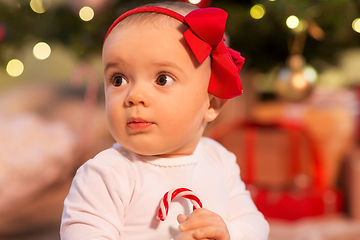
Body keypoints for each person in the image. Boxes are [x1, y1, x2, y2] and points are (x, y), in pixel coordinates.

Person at [60, 2, 269, 239]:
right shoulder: (107, 174)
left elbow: (255, 225)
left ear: (211, 104)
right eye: (118, 80)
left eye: (162, 79)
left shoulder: (219, 160)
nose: (134, 96)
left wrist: (229, 232)